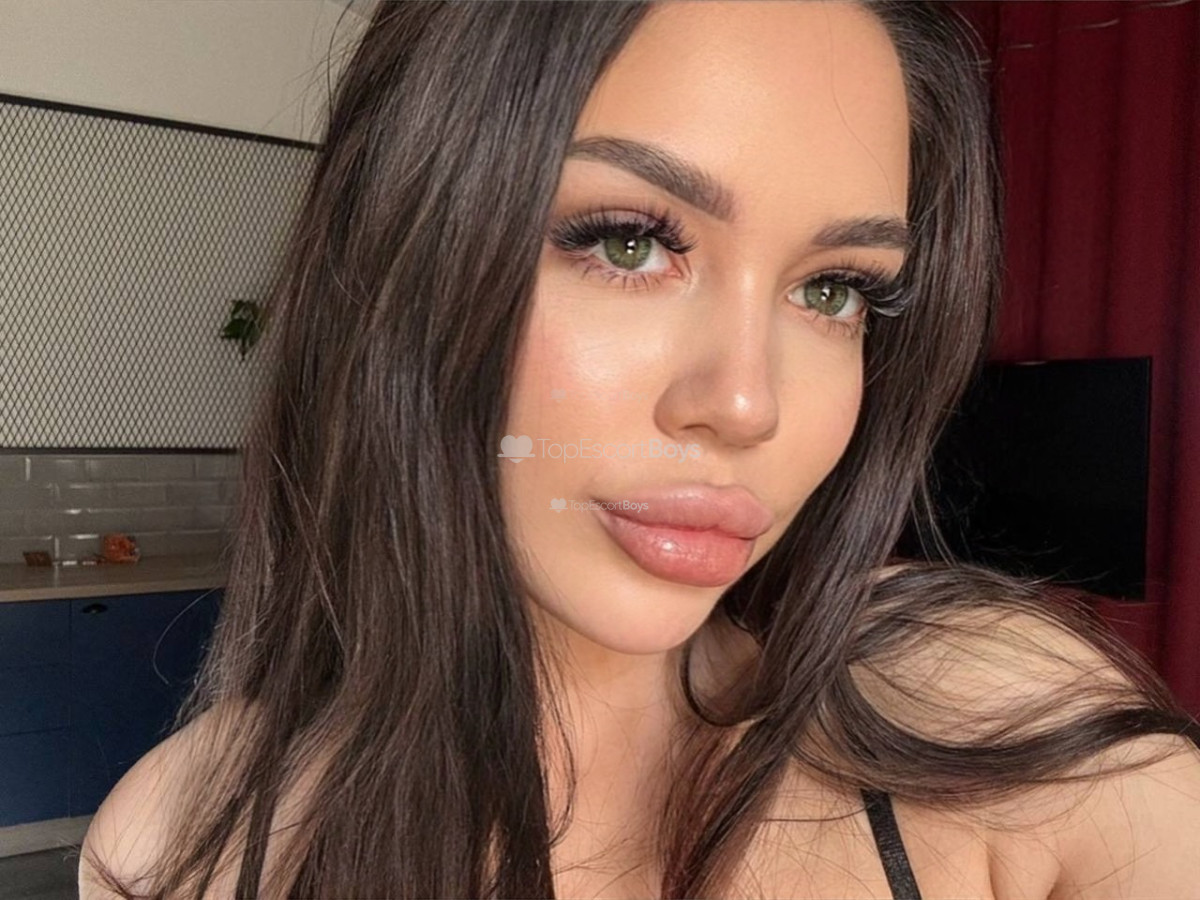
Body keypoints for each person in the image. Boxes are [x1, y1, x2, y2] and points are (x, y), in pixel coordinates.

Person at [79, 2, 1200, 898]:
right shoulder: (186, 845)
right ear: (402, 266)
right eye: (628, 243)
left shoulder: (997, 722)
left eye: (833, 290)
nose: (747, 405)